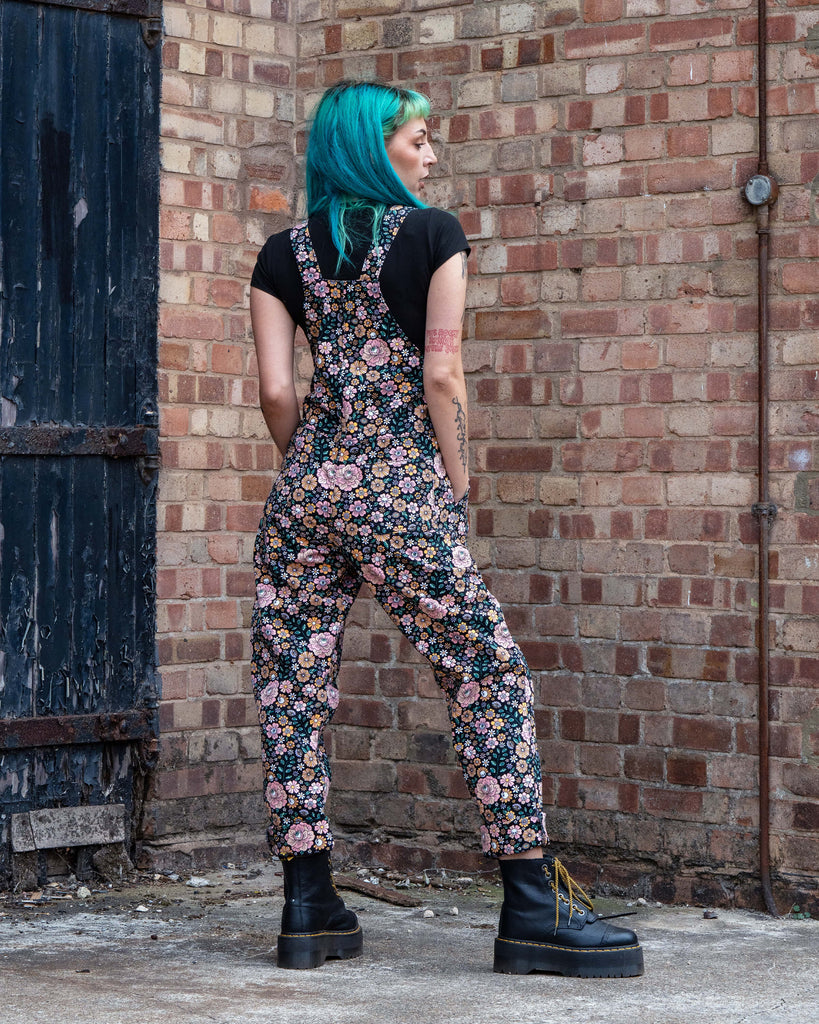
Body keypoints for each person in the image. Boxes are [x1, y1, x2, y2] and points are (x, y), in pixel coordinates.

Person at [248, 79, 643, 978]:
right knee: (485, 672)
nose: (430, 156)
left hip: (303, 493)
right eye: (418, 139)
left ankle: (307, 907)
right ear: (372, 147)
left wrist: (316, 469)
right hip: (401, 489)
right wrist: (454, 485)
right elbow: (442, 373)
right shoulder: (432, 235)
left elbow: (275, 391)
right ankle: (532, 908)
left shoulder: (281, 253)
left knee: (291, 689)